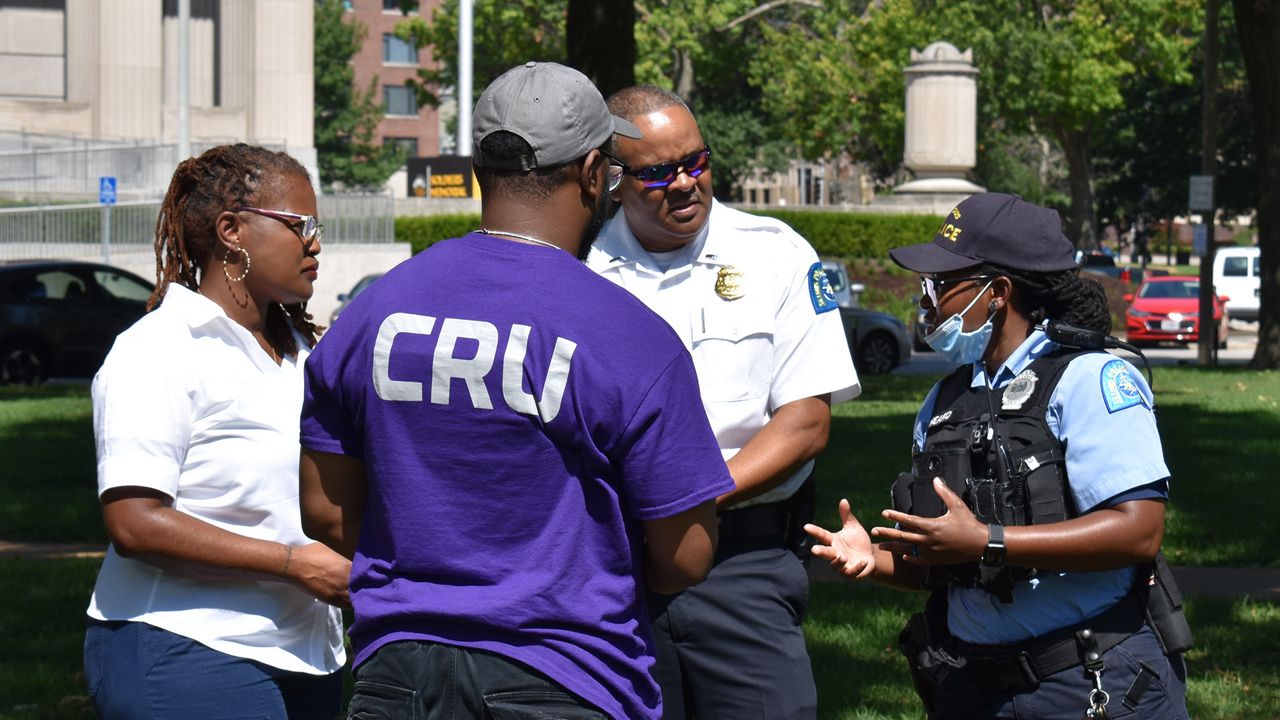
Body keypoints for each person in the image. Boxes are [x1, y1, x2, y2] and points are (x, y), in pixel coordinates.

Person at [297, 62, 734, 720]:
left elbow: (326, 513)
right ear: (594, 174)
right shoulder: (632, 336)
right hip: (569, 676)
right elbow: (687, 554)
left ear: (481, 170)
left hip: (398, 674)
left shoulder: (370, 313)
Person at [806, 192, 1190, 719]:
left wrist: (989, 541)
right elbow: (952, 564)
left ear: (997, 292)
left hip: (1088, 684)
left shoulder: (1090, 378)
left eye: (940, 284)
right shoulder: (942, 402)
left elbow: (1139, 530)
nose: (926, 301)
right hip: (973, 687)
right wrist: (877, 560)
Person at [586, 85, 861, 719]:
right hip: (612, 567)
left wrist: (685, 501)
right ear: (612, 179)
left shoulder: (778, 254)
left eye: (697, 162)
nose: (684, 183)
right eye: (658, 173)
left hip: (744, 565)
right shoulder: (584, 267)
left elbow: (807, 423)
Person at [84, 144, 349, 718]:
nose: (315, 243)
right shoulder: (158, 350)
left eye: (317, 226)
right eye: (299, 226)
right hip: (186, 649)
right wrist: (291, 563)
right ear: (231, 230)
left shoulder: (306, 354)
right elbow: (135, 523)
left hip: (307, 655)